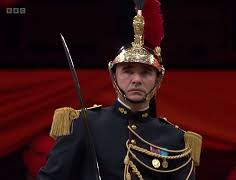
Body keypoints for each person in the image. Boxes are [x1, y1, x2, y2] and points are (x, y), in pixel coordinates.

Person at [37, 0, 202, 179]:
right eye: (128, 71)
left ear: (158, 79)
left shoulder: (175, 138)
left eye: (146, 72)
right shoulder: (84, 124)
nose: (136, 80)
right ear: (113, 75)